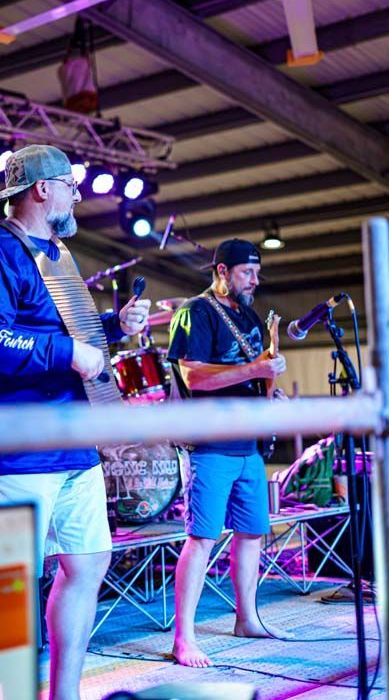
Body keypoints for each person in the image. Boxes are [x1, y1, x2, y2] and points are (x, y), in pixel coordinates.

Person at [0, 144, 150, 700]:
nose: (76, 195)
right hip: (12, 438)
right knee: (8, 584)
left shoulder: (59, 254)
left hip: (71, 436)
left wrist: (115, 325)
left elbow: (70, 332)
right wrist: (67, 353)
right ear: (42, 190)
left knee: (87, 564)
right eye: (69, 184)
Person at [167, 238, 288, 668]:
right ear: (221, 271)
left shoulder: (249, 313)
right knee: (201, 539)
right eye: (246, 273)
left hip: (248, 444)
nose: (255, 280)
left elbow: (250, 374)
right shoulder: (195, 312)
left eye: (257, 272)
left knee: (252, 532)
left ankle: (246, 618)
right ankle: (184, 638)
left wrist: (270, 393)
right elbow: (193, 376)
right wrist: (257, 369)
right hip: (210, 445)